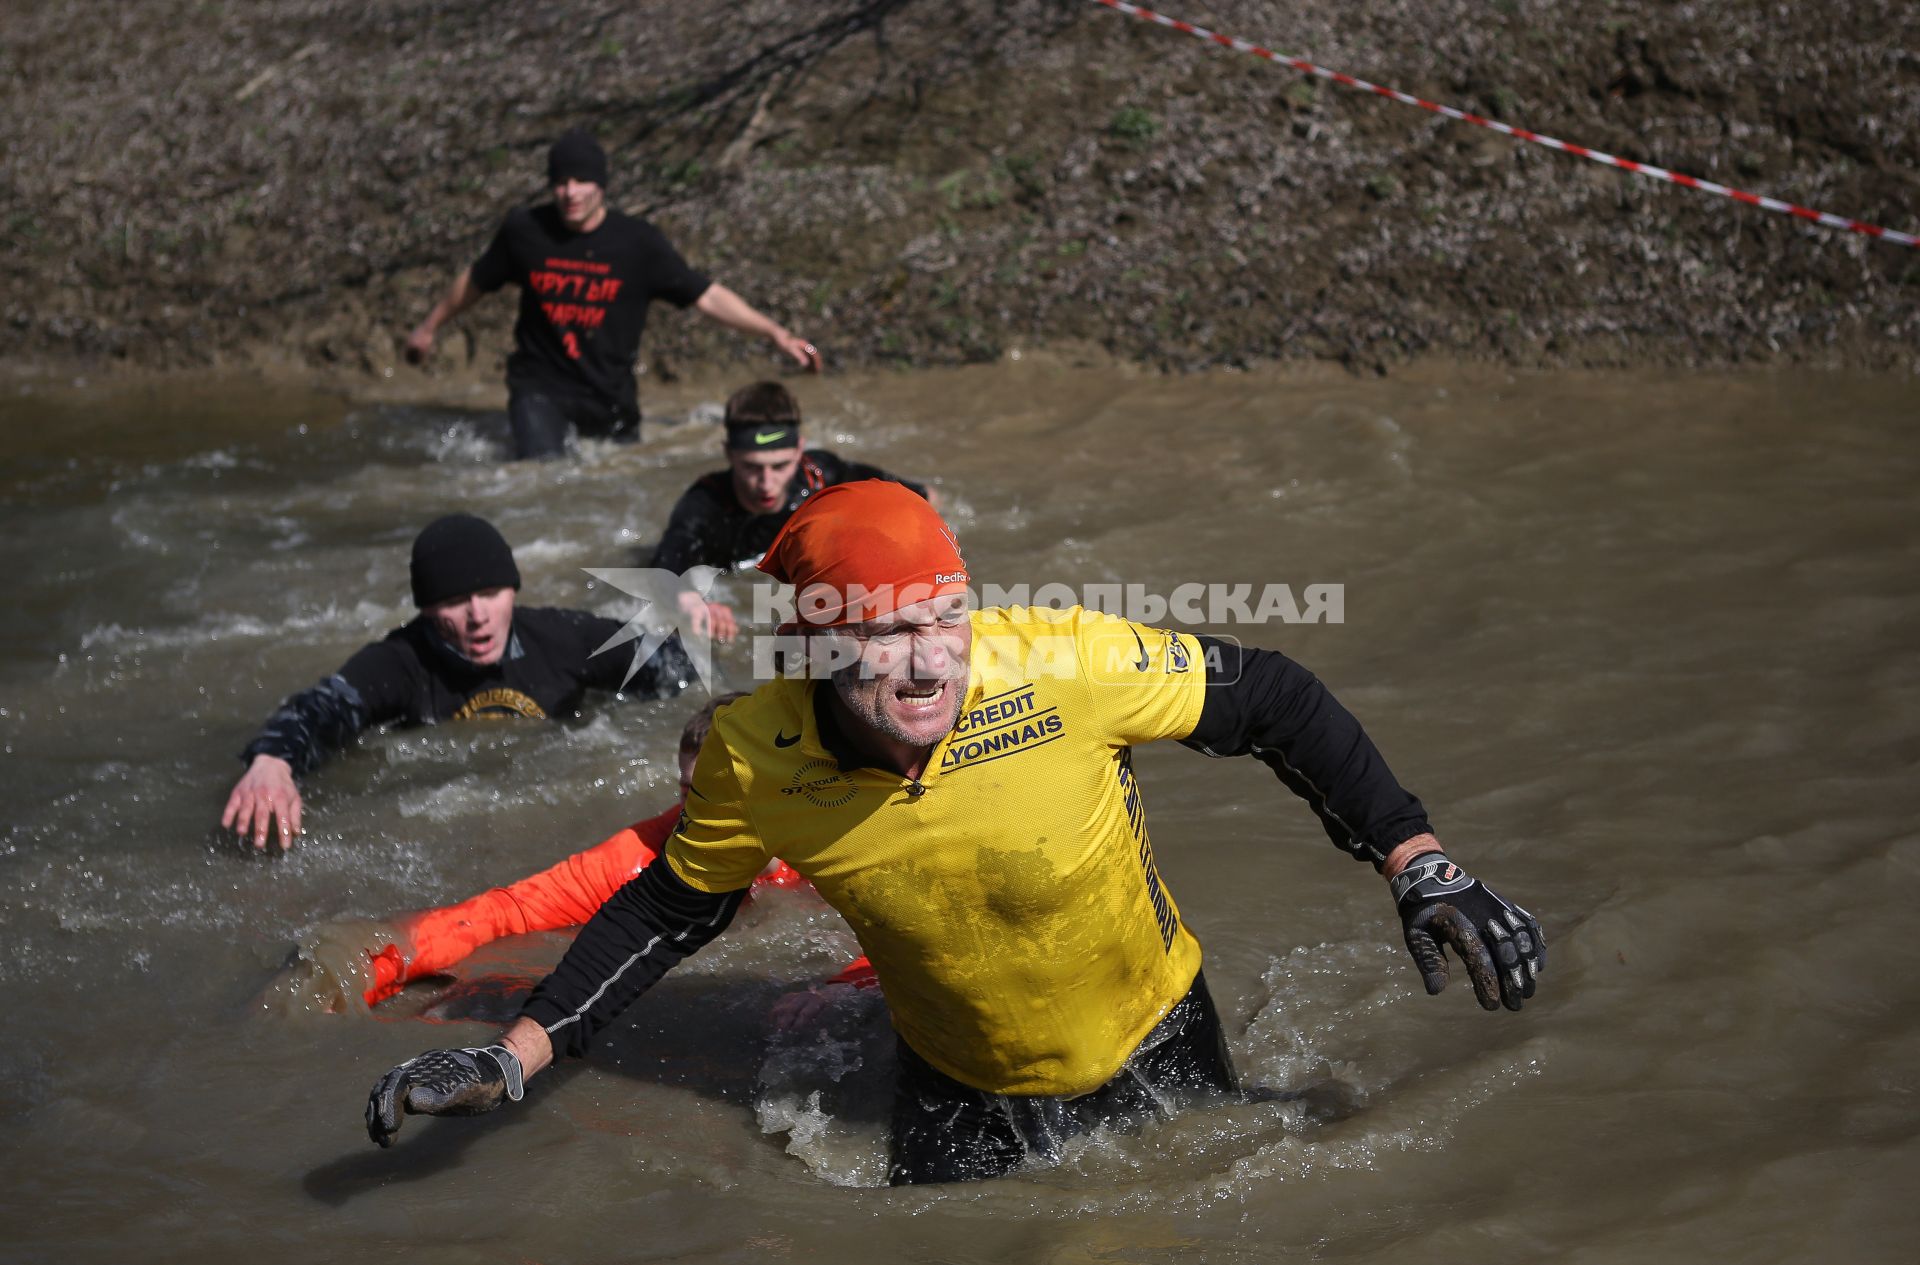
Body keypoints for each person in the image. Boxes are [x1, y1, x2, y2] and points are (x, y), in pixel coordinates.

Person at [364, 482, 1545, 1185]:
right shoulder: (754, 753)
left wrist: (1419, 863)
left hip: (1154, 1035)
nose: (931, 659)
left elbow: (1273, 695)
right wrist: (512, 1058)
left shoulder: (1067, 663)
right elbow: (668, 908)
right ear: (821, 646)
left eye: (948, 616)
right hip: (955, 1087)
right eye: (888, 633)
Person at [356, 692, 874, 1009]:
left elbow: (915, 929)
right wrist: (371, 970)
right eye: (693, 789)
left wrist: (842, 989)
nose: (708, 808)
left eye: (728, 788)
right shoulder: (645, 854)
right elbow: (502, 913)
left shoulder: (830, 836)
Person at [222, 513, 692, 851]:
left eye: (490, 594)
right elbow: (321, 706)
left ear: (512, 590)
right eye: (454, 602)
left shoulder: (562, 638)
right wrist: (273, 760)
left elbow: (677, 669)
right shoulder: (401, 662)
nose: (478, 617)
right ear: (426, 609)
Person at [403, 128, 822, 459]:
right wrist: (429, 328)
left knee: (616, 474)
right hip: (540, 387)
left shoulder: (637, 243)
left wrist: (775, 334)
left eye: (582, 180)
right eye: (561, 182)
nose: (571, 192)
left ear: (601, 185)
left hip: (610, 392)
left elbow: (706, 295)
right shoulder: (525, 231)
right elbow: (477, 280)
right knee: (545, 477)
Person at [652, 381, 935, 643]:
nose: (766, 484)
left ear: (800, 449)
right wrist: (691, 602)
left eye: (780, 466)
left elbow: (920, 497)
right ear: (728, 454)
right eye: (751, 467)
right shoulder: (706, 502)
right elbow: (665, 566)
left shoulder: (820, 477)